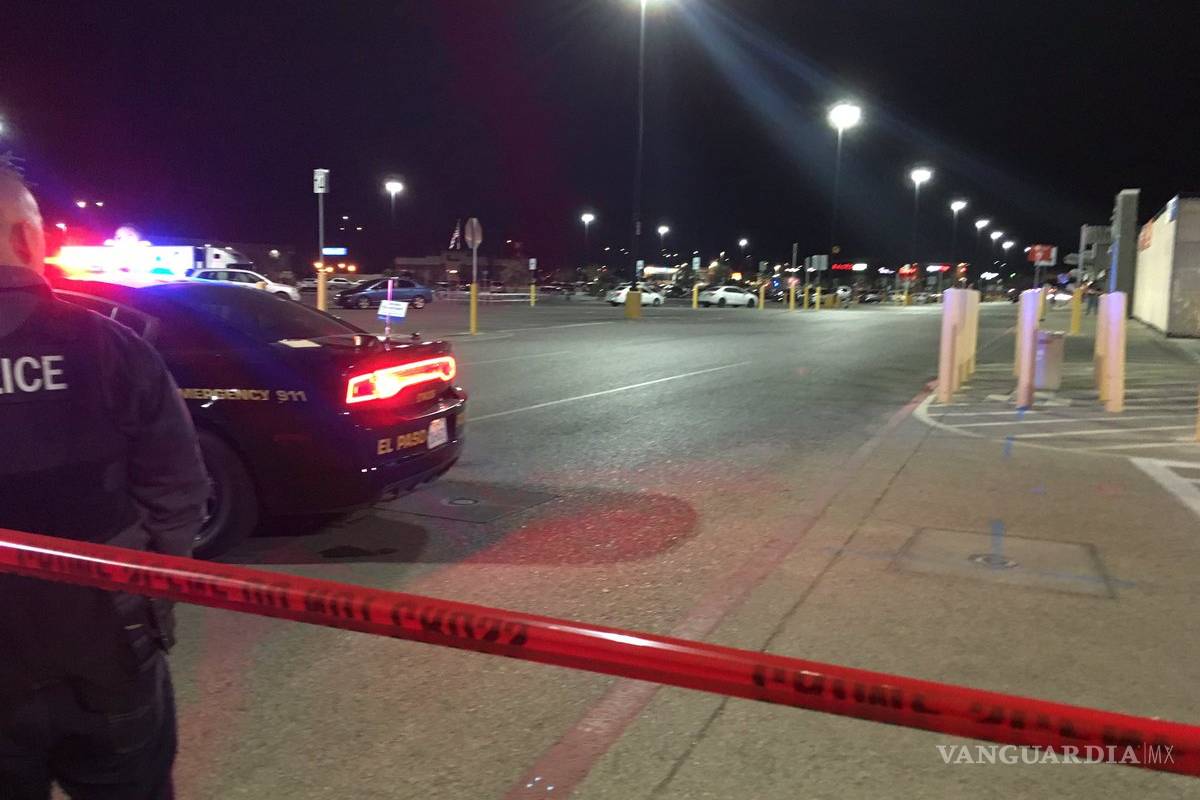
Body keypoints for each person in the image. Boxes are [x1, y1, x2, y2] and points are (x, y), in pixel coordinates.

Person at [0, 163, 209, 799]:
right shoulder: (111, 348)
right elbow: (178, 491)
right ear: (28, 240)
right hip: (108, 647)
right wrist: (149, 597)